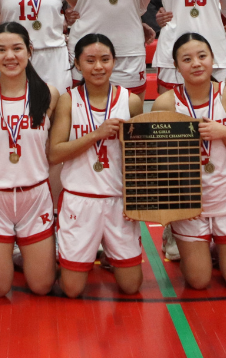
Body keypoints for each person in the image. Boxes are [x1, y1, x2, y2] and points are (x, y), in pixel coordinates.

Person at [151, 33, 226, 289]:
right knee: (198, 281)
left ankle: (223, 247)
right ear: (176, 66)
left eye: (202, 56)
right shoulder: (165, 103)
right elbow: (153, 159)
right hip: (188, 201)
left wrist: (225, 133)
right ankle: (178, 237)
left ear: (213, 59)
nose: (196, 63)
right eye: (187, 59)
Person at [48, 34, 144, 298]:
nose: (98, 66)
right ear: (78, 64)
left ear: (114, 61)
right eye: (90, 60)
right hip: (80, 199)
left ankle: (100, 257)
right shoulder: (69, 100)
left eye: (105, 59)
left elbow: (143, 158)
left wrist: (137, 200)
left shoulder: (131, 101)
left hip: (118, 201)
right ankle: (62, 261)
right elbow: (54, 153)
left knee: (131, 286)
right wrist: (95, 135)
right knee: (72, 289)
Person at [0, 22, 58, 299]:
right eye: (1, 50)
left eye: (17, 48)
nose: (10, 56)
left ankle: (16, 250)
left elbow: (56, 155)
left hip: (35, 198)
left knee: (42, 286)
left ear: (29, 51)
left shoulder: (49, 95)